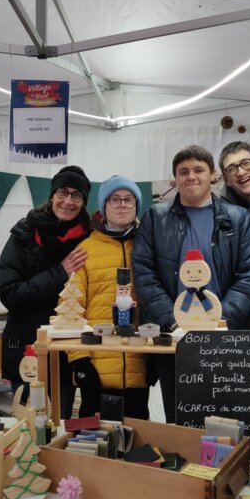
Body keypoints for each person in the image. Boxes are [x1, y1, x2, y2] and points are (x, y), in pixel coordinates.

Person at [132, 145, 250, 423]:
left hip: (225, 340)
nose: (191, 176)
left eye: (199, 170)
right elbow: (144, 274)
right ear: (175, 178)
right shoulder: (155, 218)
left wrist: (220, 322)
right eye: (184, 171)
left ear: (213, 175)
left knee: (225, 422)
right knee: (179, 420)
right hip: (173, 340)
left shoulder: (240, 218)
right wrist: (173, 322)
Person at [0, 165, 91, 418]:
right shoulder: (25, 233)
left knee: (60, 423)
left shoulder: (89, 238)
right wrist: (60, 272)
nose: (68, 201)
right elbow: (9, 293)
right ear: (52, 195)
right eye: (62, 192)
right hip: (27, 346)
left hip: (68, 350)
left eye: (76, 195)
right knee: (27, 423)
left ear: (83, 202)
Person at [65, 176, 150, 419]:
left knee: (138, 438)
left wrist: (154, 359)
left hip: (138, 369)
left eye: (128, 199)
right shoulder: (86, 250)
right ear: (104, 207)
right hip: (96, 369)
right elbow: (70, 307)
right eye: (114, 199)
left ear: (136, 205)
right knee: (92, 439)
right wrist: (79, 360)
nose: (122, 204)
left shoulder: (147, 246)